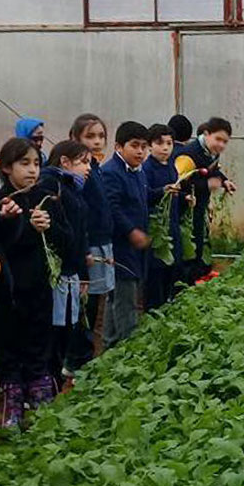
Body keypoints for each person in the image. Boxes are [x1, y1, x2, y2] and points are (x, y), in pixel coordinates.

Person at [0, 138, 72, 427]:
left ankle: (41, 405)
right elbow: (4, 245)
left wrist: (48, 228)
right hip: (7, 293)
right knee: (8, 345)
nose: (32, 170)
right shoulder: (2, 203)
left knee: (39, 343)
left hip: (40, 288)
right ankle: (12, 406)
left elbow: (67, 241)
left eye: (37, 163)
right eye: (24, 163)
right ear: (5, 167)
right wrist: (12, 223)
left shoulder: (46, 200)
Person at [38, 141, 91, 389]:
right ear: (64, 162)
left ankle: (54, 382)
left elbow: (78, 233)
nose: (87, 167)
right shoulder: (52, 186)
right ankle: (48, 385)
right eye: (83, 161)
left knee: (66, 328)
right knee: (54, 331)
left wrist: (82, 269)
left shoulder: (70, 188)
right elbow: (58, 233)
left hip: (70, 270)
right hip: (57, 272)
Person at [69, 114, 114, 362]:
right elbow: (80, 216)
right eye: (90, 136)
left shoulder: (94, 168)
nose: (97, 142)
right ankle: (77, 360)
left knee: (95, 301)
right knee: (85, 304)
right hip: (89, 246)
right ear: (74, 138)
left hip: (102, 242)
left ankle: (82, 358)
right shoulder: (78, 175)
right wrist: (85, 247)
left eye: (100, 136)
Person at [101, 122, 151, 348]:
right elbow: (112, 208)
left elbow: (142, 199)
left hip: (132, 246)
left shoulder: (137, 173)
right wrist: (131, 231)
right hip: (120, 246)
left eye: (144, 146)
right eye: (135, 146)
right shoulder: (112, 172)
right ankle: (127, 350)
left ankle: (110, 345)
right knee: (125, 298)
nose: (140, 151)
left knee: (118, 298)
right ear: (119, 146)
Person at [174, 117, 237, 283]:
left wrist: (224, 181)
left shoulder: (211, 152)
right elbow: (178, 183)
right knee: (189, 249)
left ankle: (196, 282)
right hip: (184, 211)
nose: (221, 145)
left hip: (198, 207)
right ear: (206, 134)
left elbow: (213, 170)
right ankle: (183, 289)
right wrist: (206, 185)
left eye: (225, 142)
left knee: (199, 245)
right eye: (218, 139)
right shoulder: (188, 155)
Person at [142, 124, 183, 309]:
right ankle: (153, 311)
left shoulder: (172, 168)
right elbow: (145, 196)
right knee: (155, 273)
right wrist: (162, 191)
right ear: (150, 146)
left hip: (171, 226)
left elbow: (175, 196)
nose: (165, 147)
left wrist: (185, 198)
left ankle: (168, 306)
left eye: (169, 143)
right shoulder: (147, 169)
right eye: (160, 143)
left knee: (172, 268)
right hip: (156, 227)